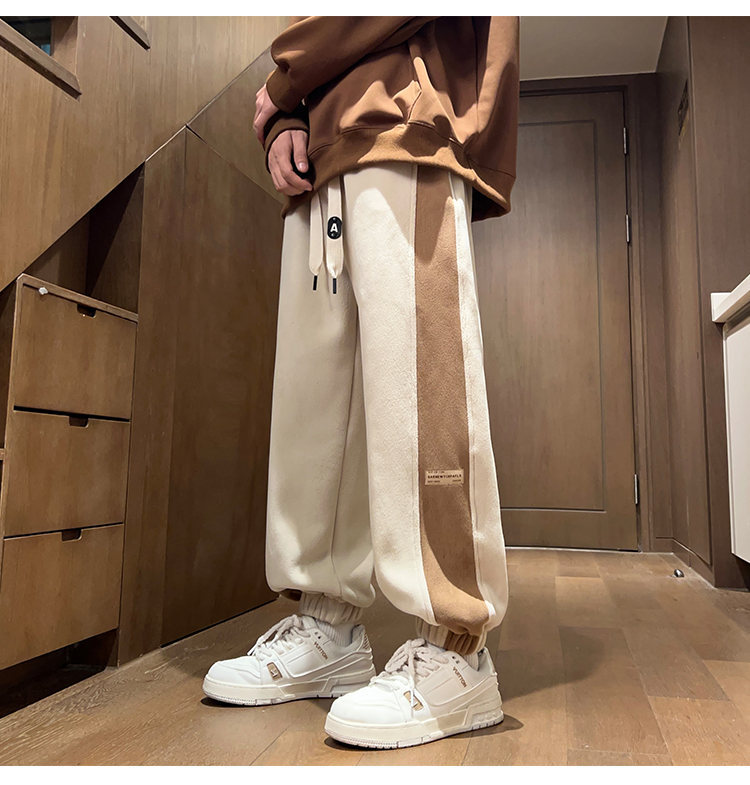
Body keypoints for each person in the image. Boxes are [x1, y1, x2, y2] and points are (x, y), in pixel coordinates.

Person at [203, 16, 520, 749]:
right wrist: (286, 115)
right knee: (318, 404)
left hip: (405, 114)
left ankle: (458, 645)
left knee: (422, 385)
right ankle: (329, 626)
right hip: (322, 145)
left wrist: (286, 79)